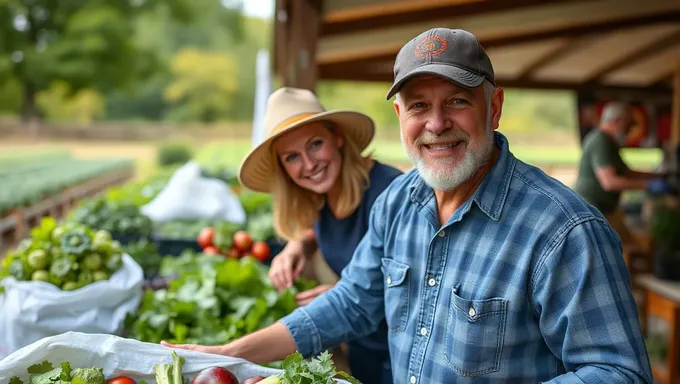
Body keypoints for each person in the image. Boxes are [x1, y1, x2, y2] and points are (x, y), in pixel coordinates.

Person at [162, 28, 653, 383]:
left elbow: (618, 372)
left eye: (457, 100)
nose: (436, 124)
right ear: (400, 115)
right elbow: (352, 302)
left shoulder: (564, 231)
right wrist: (229, 352)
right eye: (419, 105)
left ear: (494, 107)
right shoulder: (399, 201)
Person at [169, 87, 401, 384]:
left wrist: (353, 295)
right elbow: (325, 228)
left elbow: (421, 288)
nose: (308, 164)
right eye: (292, 157)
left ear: (338, 137)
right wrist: (299, 245)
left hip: (401, 355)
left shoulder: (391, 193)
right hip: (364, 348)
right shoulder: (325, 197)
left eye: (315, 144)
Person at [573, 101, 675, 245]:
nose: (630, 130)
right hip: (592, 209)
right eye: (628, 125)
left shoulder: (609, 142)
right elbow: (610, 182)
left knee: (625, 245)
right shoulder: (601, 141)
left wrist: (659, 176)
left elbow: (626, 173)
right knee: (619, 248)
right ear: (617, 121)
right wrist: (649, 185)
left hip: (604, 209)